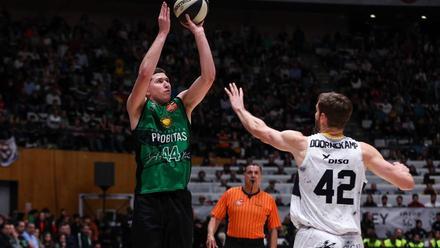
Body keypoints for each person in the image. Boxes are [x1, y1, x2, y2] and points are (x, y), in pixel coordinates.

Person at [224, 84, 415, 247]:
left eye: (317, 111)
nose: (315, 114)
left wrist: (240, 109)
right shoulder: (363, 151)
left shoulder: (303, 144)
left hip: (314, 236)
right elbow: (406, 183)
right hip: (351, 240)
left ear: (323, 117)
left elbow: (260, 131)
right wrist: (401, 169)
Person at [126, 2, 215, 248]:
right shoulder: (138, 109)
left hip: (178, 198)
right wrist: (163, 33)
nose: (166, 83)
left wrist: (199, 33)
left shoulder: (183, 104)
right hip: (148, 199)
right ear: (147, 90)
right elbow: (144, 74)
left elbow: (208, 77)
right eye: (159, 81)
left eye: (167, 80)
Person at [206, 164, 281, 248]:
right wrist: (210, 235)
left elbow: (273, 229)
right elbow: (216, 217)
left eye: (256, 173)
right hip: (233, 243)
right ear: (244, 175)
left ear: (260, 176)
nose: (253, 175)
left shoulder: (269, 199)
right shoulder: (230, 193)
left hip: (256, 244)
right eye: (249, 172)